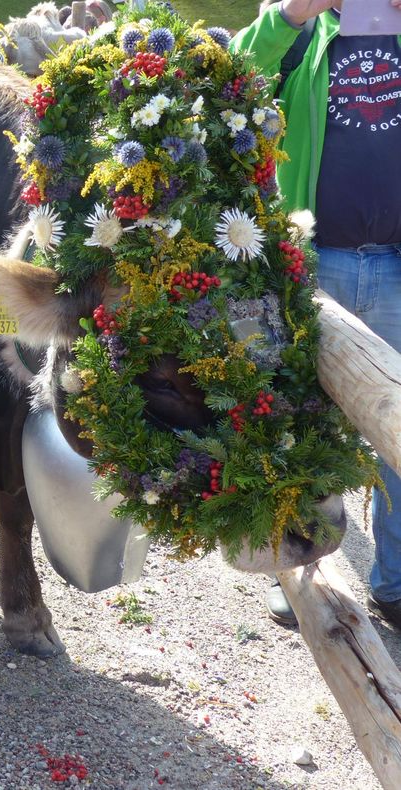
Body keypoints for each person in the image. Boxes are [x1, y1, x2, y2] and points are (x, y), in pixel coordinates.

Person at [232, 0, 401, 629]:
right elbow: (235, 70)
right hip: (315, 260)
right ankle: (299, 572)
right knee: (302, 422)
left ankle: (395, 584)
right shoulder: (307, 34)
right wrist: (290, 13)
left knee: (399, 430)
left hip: (397, 265)